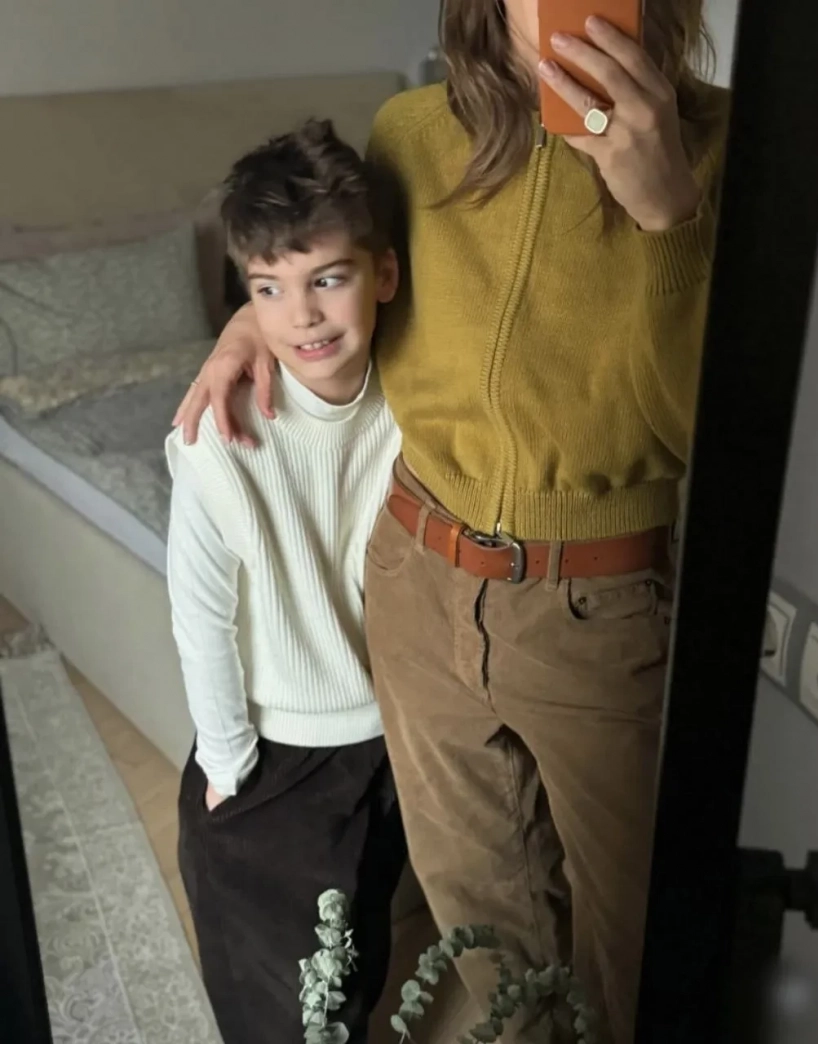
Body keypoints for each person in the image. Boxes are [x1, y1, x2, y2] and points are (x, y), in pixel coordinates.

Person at [174, 4, 728, 1042]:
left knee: (639, 940)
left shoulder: (724, 147)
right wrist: (249, 318)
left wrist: (670, 220)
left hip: (601, 606)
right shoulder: (413, 134)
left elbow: (713, 433)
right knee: (481, 918)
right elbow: (339, 272)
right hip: (416, 580)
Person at [165, 119, 405, 1044]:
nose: (300, 315)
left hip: (387, 745)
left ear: (384, 276)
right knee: (276, 1008)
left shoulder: (415, 400)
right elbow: (201, 613)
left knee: (354, 983)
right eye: (268, 289)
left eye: (327, 280)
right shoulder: (217, 437)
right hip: (271, 761)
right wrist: (227, 766)